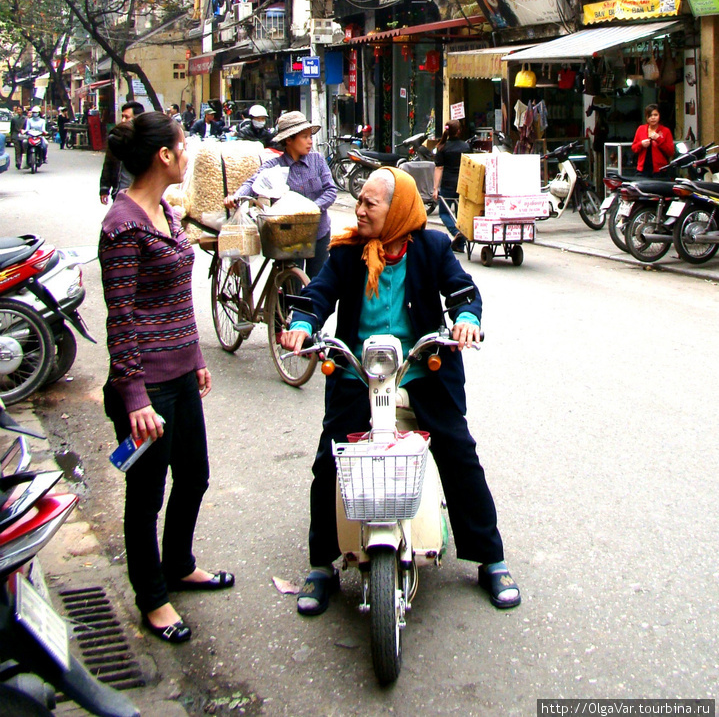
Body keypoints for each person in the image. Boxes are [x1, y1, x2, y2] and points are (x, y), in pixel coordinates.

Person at [281, 167, 520, 616]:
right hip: (357, 372)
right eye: (361, 200)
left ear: (399, 210)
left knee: (458, 452)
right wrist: (301, 324)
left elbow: (464, 293)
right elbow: (318, 295)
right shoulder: (348, 251)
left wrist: (467, 320)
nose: (360, 208)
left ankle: (491, 558)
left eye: (371, 202)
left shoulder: (431, 246)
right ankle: (321, 565)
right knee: (329, 461)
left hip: (419, 370)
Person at [99, 111, 234, 646]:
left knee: (195, 475)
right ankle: (151, 597)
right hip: (145, 390)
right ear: (164, 155)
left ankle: (178, 564)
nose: (187, 155)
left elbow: (177, 299)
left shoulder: (168, 214)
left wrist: (197, 356)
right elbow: (121, 316)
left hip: (181, 372)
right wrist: (134, 396)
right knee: (146, 493)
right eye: (183, 147)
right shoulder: (122, 223)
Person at [225, 111, 337, 280]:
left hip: (319, 231)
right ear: (289, 140)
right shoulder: (274, 165)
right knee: (290, 284)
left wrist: (312, 207)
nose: (310, 141)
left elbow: (330, 190)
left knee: (317, 283)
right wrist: (236, 196)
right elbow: (253, 182)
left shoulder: (317, 160)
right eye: (304, 137)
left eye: (310, 137)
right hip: (289, 235)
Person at [433, 119, 471, 253]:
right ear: (459, 131)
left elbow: (439, 168)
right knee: (462, 215)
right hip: (463, 184)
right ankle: (459, 244)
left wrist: (435, 188)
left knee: (444, 213)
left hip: (448, 184)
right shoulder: (466, 147)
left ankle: (456, 233)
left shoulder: (442, 147)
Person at [100, 102, 144, 205]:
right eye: (122, 116)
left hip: (141, 195)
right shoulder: (117, 139)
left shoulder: (146, 140)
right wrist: (104, 188)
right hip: (120, 193)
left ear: (137, 119)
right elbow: (108, 164)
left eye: (126, 117)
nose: (123, 120)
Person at [631, 103, 674, 177]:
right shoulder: (641, 129)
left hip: (659, 170)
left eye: (655, 115)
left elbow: (670, 151)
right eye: (650, 116)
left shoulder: (665, 131)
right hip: (642, 170)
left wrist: (659, 139)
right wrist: (641, 144)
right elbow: (634, 148)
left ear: (659, 116)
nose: (653, 118)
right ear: (646, 118)